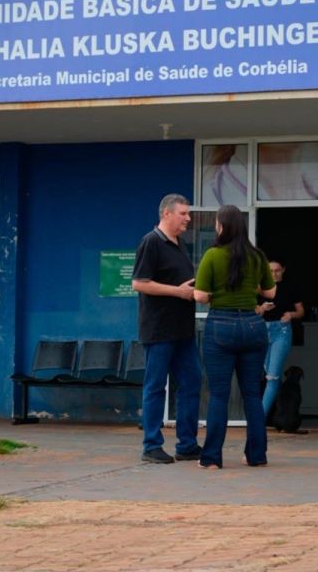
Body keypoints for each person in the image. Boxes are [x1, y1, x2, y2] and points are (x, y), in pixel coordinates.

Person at [193, 204, 276, 469]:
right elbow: (270, 293)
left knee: (219, 395)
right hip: (253, 326)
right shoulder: (257, 256)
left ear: (221, 226)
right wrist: (251, 289)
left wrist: (216, 294)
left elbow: (199, 295)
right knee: (252, 394)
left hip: (221, 325)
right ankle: (256, 455)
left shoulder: (212, 255)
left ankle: (211, 458)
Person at [130, 193, 203, 464]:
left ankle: (187, 444)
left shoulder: (179, 244)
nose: (188, 218)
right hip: (159, 329)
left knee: (192, 382)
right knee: (156, 386)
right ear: (166, 214)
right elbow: (139, 283)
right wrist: (177, 292)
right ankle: (151, 445)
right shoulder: (151, 242)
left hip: (183, 330)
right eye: (183, 213)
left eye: (188, 213)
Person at [257, 257, 304, 418]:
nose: (274, 274)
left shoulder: (291, 287)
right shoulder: (260, 288)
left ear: (283, 270)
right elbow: (252, 312)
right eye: (270, 271)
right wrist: (262, 308)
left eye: (277, 270)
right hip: (262, 331)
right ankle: (282, 413)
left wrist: (291, 315)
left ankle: (259, 418)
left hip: (281, 331)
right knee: (271, 376)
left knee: (272, 377)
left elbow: (301, 311)